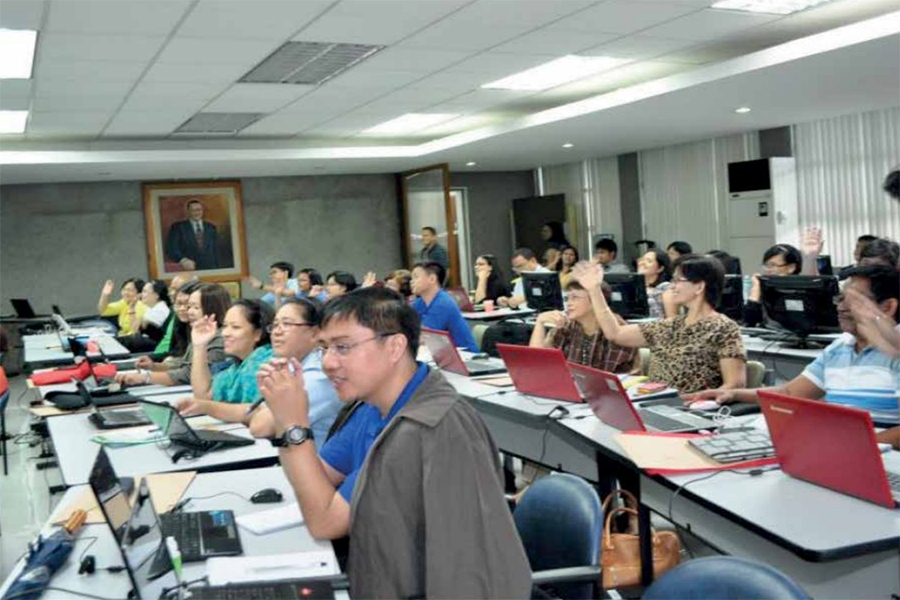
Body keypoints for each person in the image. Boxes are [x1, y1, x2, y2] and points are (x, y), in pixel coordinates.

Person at [256, 287, 532, 598]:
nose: (328, 363)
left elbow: (325, 521)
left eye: (343, 347)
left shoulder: (436, 428)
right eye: (324, 348)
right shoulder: (371, 406)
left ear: (394, 347)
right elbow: (317, 480)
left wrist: (293, 425)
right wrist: (288, 424)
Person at [685, 265, 899, 423]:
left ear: (888, 307)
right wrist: (733, 394)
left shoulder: (895, 351)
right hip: (843, 447)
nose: (841, 307)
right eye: (841, 299)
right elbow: (790, 393)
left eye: (855, 300)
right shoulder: (840, 347)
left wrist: (862, 444)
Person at [573, 256, 747, 393]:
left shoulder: (723, 328)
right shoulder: (668, 326)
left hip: (691, 411)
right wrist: (594, 290)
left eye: (678, 280)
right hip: (653, 403)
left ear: (699, 287)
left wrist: (700, 400)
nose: (672, 286)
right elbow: (615, 333)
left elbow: (734, 385)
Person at [244, 299, 343, 448]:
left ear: (315, 333)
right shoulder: (293, 366)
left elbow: (260, 428)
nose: (277, 332)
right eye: (275, 325)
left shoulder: (320, 375)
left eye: (287, 324)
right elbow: (253, 413)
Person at [176, 299, 275, 421]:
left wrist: (207, 407)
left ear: (258, 333)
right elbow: (204, 396)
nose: (225, 333)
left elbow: (257, 410)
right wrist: (199, 346)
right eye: (225, 326)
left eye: (235, 327)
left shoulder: (266, 362)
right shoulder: (237, 367)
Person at [116, 282, 229, 386]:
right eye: (189, 307)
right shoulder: (199, 332)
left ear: (212, 309)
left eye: (195, 307)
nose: (188, 311)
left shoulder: (218, 339)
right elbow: (185, 363)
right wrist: (154, 366)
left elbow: (188, 374)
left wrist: (145, 377)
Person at [530, 279, 636, 373]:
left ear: (596, 300)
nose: (568, 303)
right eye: (567, 298)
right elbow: (537, 362)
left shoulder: (616, 329)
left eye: (575, 297)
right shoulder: (567, 325)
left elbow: (607, 376)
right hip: (572, 384)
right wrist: (540, 323)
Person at [411, 262, 479, 352]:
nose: (411, 281)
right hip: (440, 352)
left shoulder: (443, 303)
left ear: (432, 279)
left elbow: (425, 337)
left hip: (465, 354)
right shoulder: (419, 303)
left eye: (416, 277)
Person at [744, 244, 803, 327]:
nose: (768, 270)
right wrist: (755, 291)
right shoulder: (765, 289)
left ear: (791, 268)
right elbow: (749, 322)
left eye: (772, 265)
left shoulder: (803, 291)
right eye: (766, 265)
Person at [165, 198, 220, 270]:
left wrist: (218, 269)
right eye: (193, 210)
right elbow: (171, 249)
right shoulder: (178, 227)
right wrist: (182, 260)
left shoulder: (211, 227)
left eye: (198, 210)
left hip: (210, 268)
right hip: (187, 269)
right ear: (188, 211)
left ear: (202, 211)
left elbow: (215, 251)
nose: (196, 213)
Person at [117, 280, 172, 352]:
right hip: (144, 342)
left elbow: (136, 330)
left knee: (117, 342)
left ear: (156, 295)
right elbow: (135, 330)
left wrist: (138, 317)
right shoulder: (151, 308)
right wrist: (132, 307)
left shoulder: (160, 310)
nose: (141, 294)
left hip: (154, 347)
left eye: (145, 292)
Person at [637, 248, 673, 319]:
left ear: (660, 268)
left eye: (649, 261)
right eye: (642, 260)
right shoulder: (633, 288)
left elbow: (671, 318)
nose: (642, 263)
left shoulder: (665, 287)